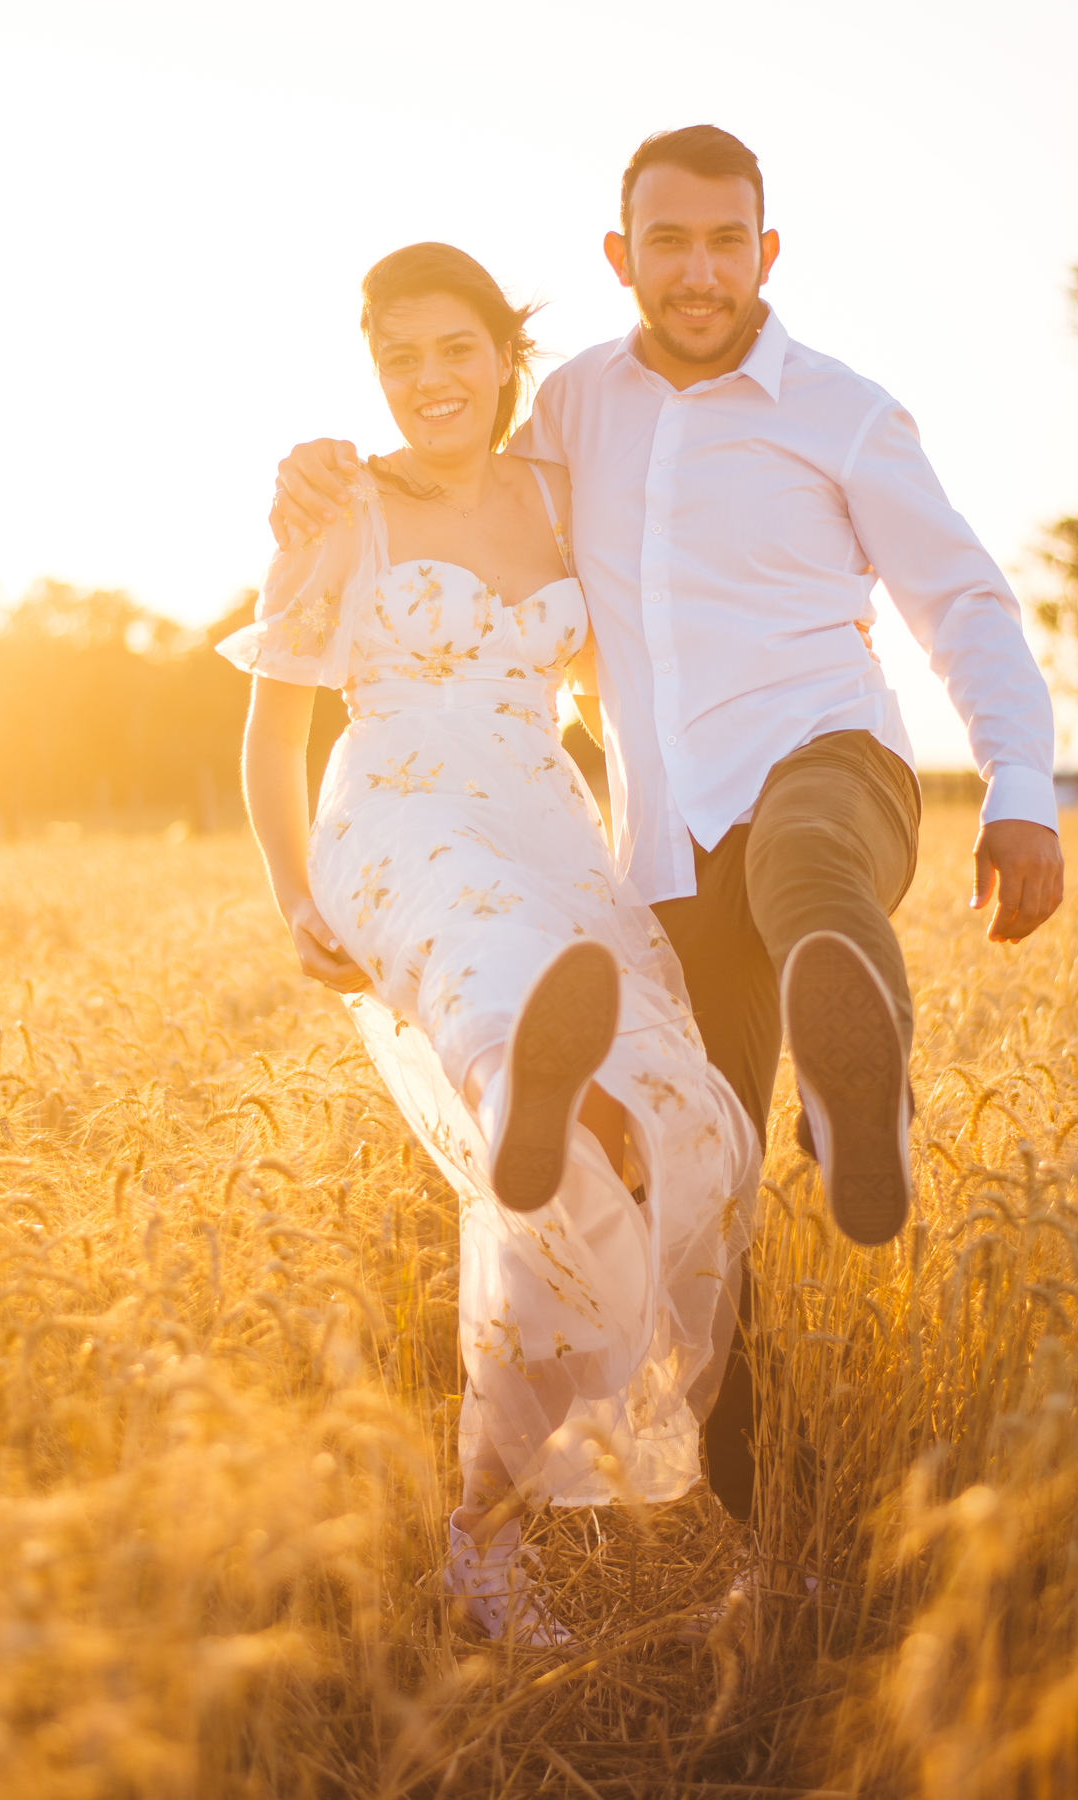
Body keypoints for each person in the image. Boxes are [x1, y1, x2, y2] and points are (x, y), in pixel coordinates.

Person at [270, 125, 1065, 1526]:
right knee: (703, 1173)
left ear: (766, 253)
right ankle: (734, 1529)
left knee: (810, 861)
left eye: (724, 242)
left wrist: (1019, 789)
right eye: (667, 243)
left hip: (827, 754)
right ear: (620, 256)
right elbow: (451, 470)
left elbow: (963, 600)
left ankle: (853, 1088)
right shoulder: (575, 410)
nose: (697, 272)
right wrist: (319, 470)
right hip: (665, 846)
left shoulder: (844, 411)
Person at [218, 241, 759, 1647]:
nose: (426, 380)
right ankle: (494, 1543)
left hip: (550, 833)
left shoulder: (568, 500)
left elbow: (655, 640)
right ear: (375, 375)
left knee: (666, 1131)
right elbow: (273, 731)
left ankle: (548, 1526)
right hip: (403, 827)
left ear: (505, 355)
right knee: (533, 1080)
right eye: (399, 358)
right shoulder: (341, 510)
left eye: (453, 349)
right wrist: (294, 898)